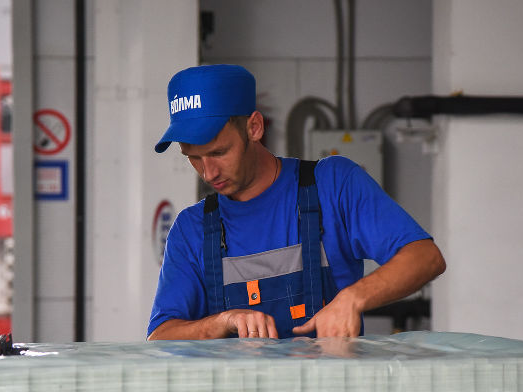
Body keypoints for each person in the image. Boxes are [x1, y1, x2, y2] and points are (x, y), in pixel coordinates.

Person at [147, 64, 445, 340]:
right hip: (237, 383)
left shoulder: (333, 185)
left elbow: (425, 257)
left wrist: (353, 298)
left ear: (254, 127)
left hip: (330, 381)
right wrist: (223, 322)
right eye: (194, 158)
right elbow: (160, 335)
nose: (208, 172)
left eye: (219, 153)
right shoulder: (191, 229)